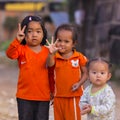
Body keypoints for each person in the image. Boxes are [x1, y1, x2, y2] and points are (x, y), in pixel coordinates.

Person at [6, 15, 51, 120]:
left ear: (43, 33)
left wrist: (53, 91)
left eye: (38, 31)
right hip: (24, 97)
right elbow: (10, 54)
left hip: (43, 96)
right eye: (30, 31)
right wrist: (17, 40)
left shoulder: (48, 51)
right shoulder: (21, 49)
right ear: (24, 33)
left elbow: (53, 70)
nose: (34, 35)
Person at [47, 24, 88, 120]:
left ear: (74, 44)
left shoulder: (79, 57)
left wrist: (79, 83)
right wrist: (50, 53)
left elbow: (86, 73)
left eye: (66, 41)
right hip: (58, 97)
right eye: (59, 40)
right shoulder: (55, 57)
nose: (62, 44)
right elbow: (49, 64)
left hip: (73, 96)